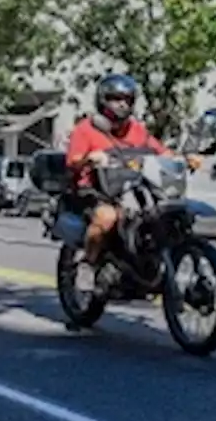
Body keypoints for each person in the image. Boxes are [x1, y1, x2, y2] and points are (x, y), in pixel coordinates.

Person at [64, 73, 200, 293]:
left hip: (132, 187)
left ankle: (149, 260)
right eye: (116, 98)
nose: (122, 104)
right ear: (103, 100)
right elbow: (72, 162)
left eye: (127, 99)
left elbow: (160, 151)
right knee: (107, 216)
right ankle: (87, 267)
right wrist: (90, 158)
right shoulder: (86, 129)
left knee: (164, 212)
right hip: (95, 190)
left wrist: (182, 158)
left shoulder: (136, 129)